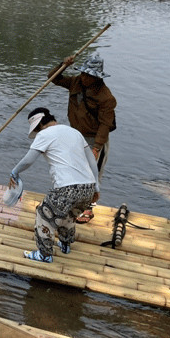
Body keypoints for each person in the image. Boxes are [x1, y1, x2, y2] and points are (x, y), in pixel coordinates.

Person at [9, 107, 99, 263]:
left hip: (67, 188)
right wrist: (96, 187)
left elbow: (29, 160)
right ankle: (65, 245)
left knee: (44, 214)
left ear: (39, 126)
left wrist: (14, 172)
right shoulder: (74, 132)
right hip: (88, 187)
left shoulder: (44, 134)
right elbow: (91, 160)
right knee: (69, 214)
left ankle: (44, 254)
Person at [48, 52, 117, 223]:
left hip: (95, 139)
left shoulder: (106, 97)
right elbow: (53, 78)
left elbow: (105, 125)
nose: (84, 77)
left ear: (96, 77)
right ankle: (73, 202)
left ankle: (88, 208)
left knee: (93, 174)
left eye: (88, 75)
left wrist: (96, 148)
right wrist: (63, 65)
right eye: (83, 73)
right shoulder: (76, 82)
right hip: (76, 135)